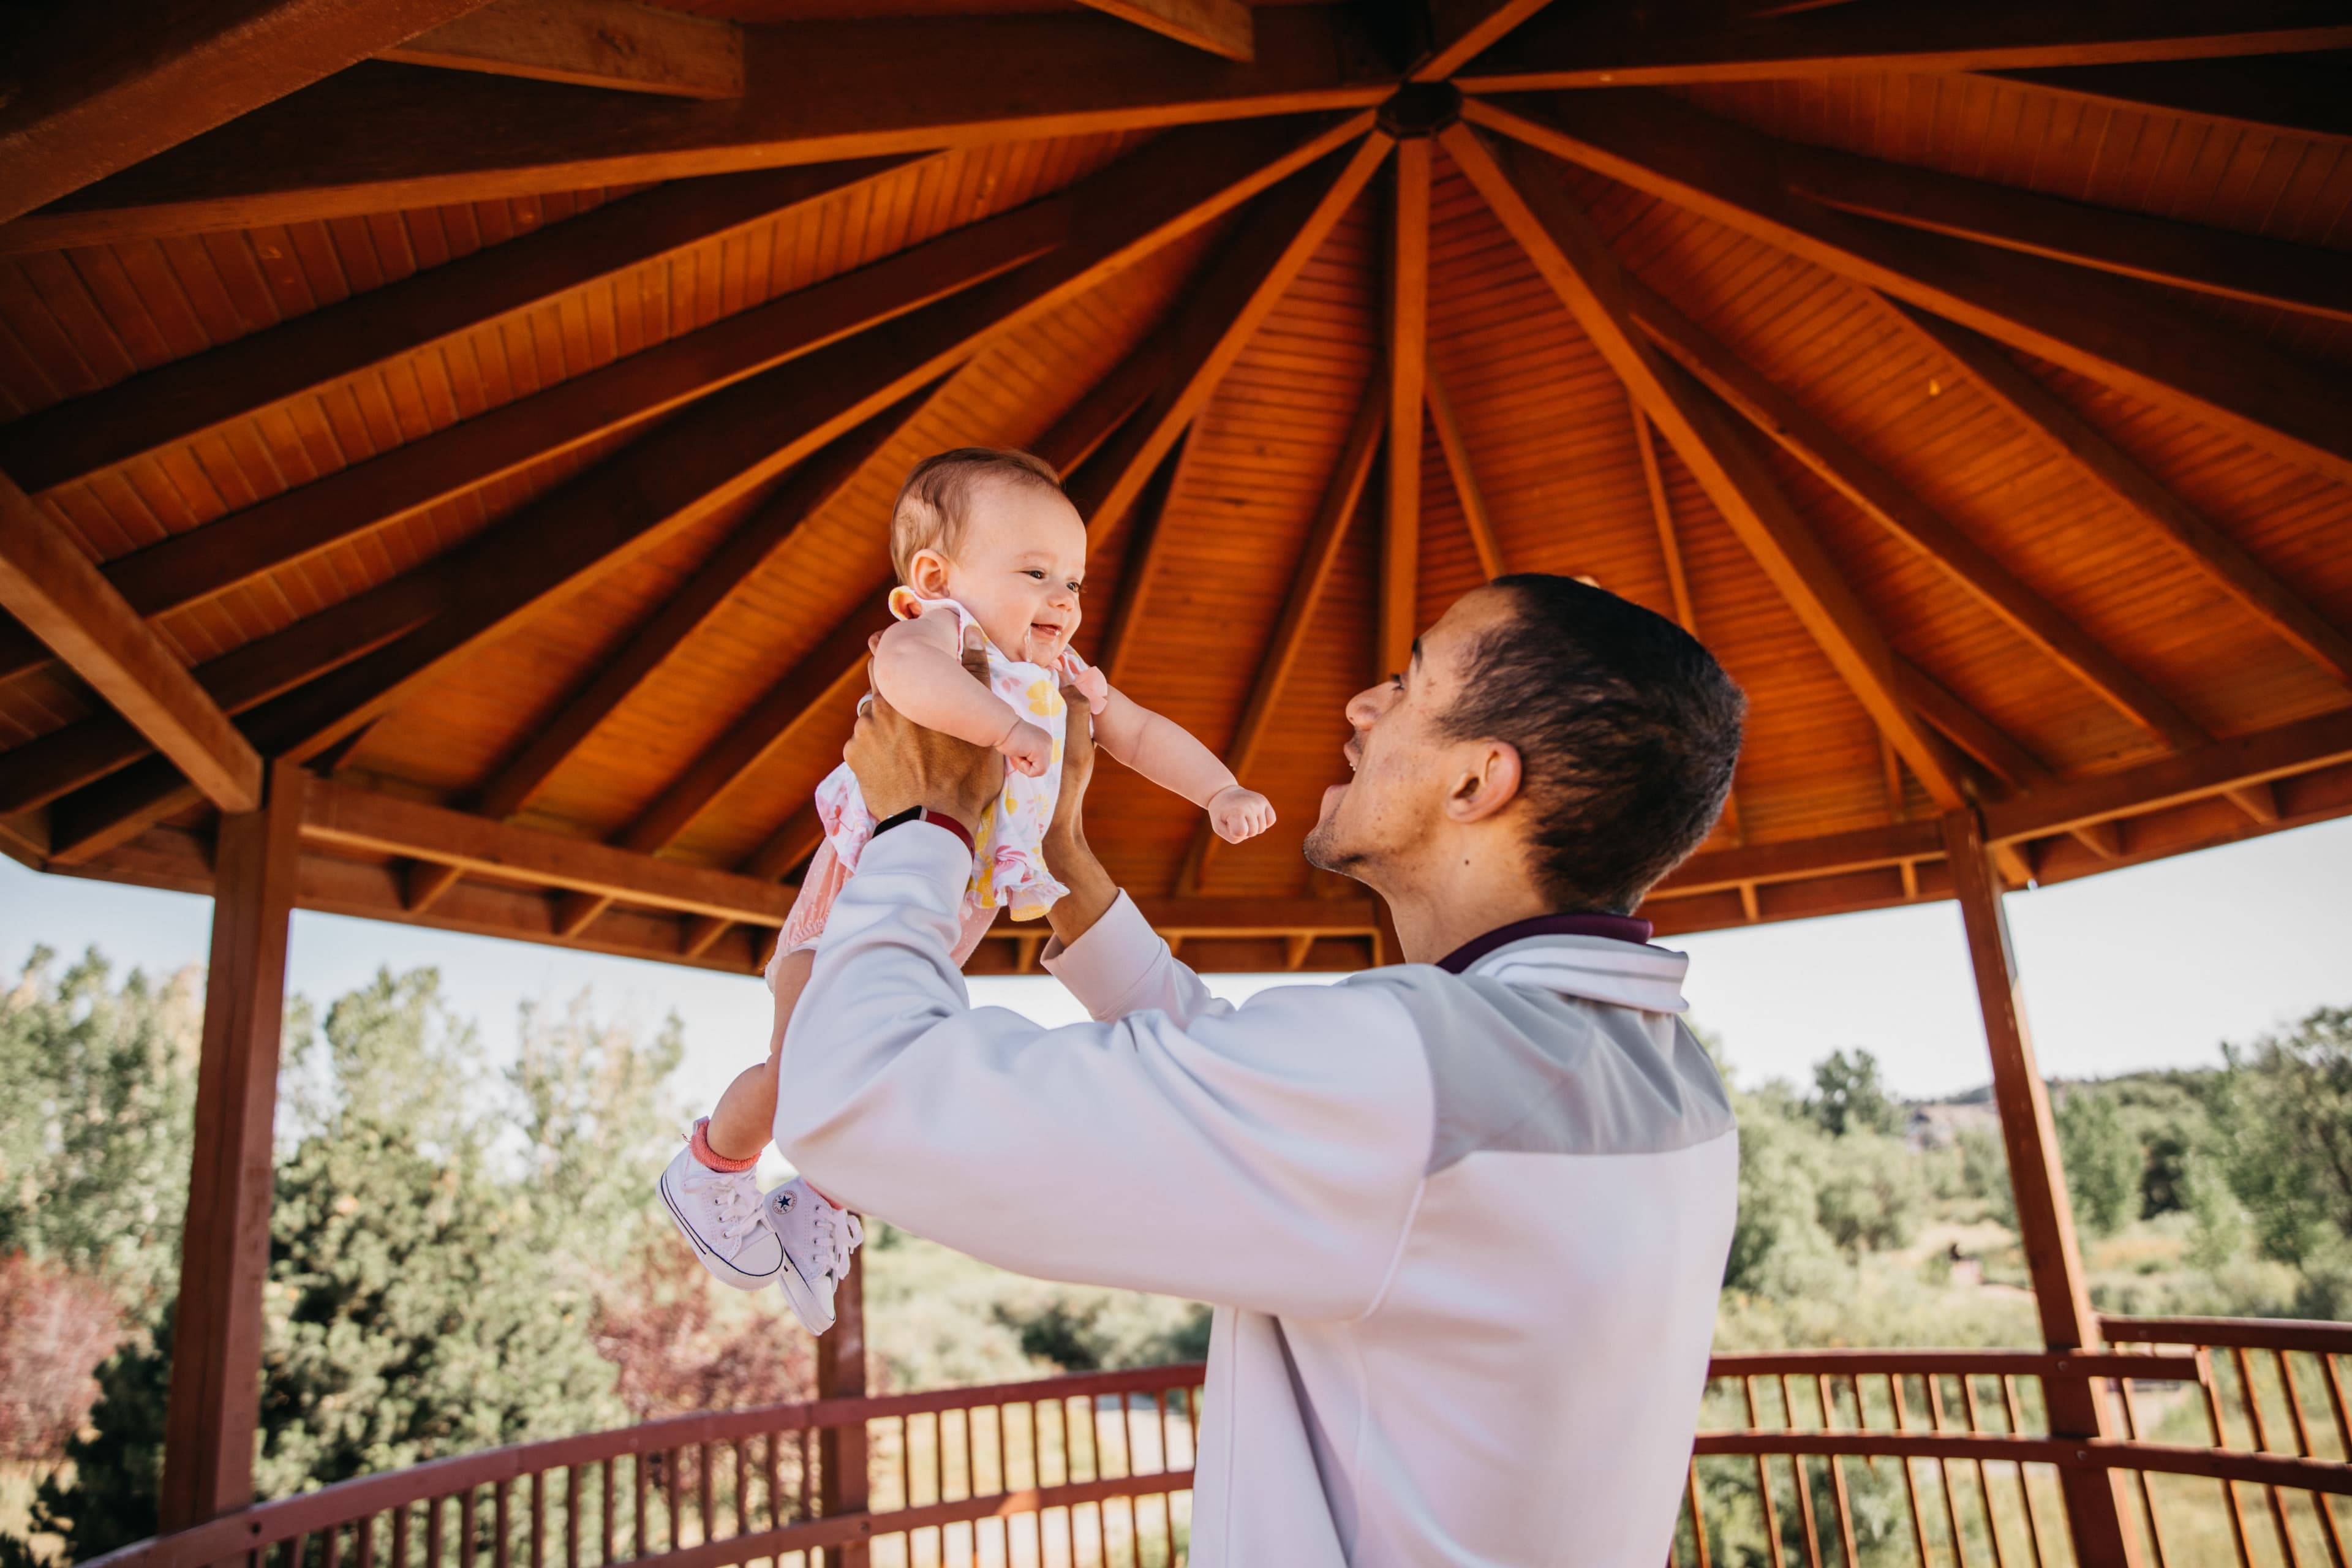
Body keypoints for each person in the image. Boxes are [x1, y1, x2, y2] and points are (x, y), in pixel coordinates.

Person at [775, 573, 1747, 1565]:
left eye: (1406, 685)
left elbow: (859, 1094)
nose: (1361, 707)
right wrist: (1059, 854)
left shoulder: (1417, 1076)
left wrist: (923, 829)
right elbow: (1270, 1099)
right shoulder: (1669, 1087)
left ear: (1476, 782)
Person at [658, 448, 1275, 1335]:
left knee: (890, 1061)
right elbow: (900, 677)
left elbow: (1137, 732)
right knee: (808, 1063)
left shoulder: (1060, 674)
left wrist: (1220, 790)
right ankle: (713, 1164)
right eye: (1036, 573)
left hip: (945, 901)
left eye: (1075, 580)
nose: (1063, 600)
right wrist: (1005, 726)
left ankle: (818, 1202)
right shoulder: (942, 630)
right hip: (861, 890)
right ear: (938, 575)